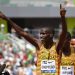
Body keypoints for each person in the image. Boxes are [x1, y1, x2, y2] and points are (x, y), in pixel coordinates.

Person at [0, 5, 67, 75]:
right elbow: (22, 32)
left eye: (44, 34)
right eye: (40, 34)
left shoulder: (57, 47)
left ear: (51, 35)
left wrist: (63, 17)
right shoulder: (39, 44)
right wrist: (6, 19)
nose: (41, 36)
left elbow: (64, 33)